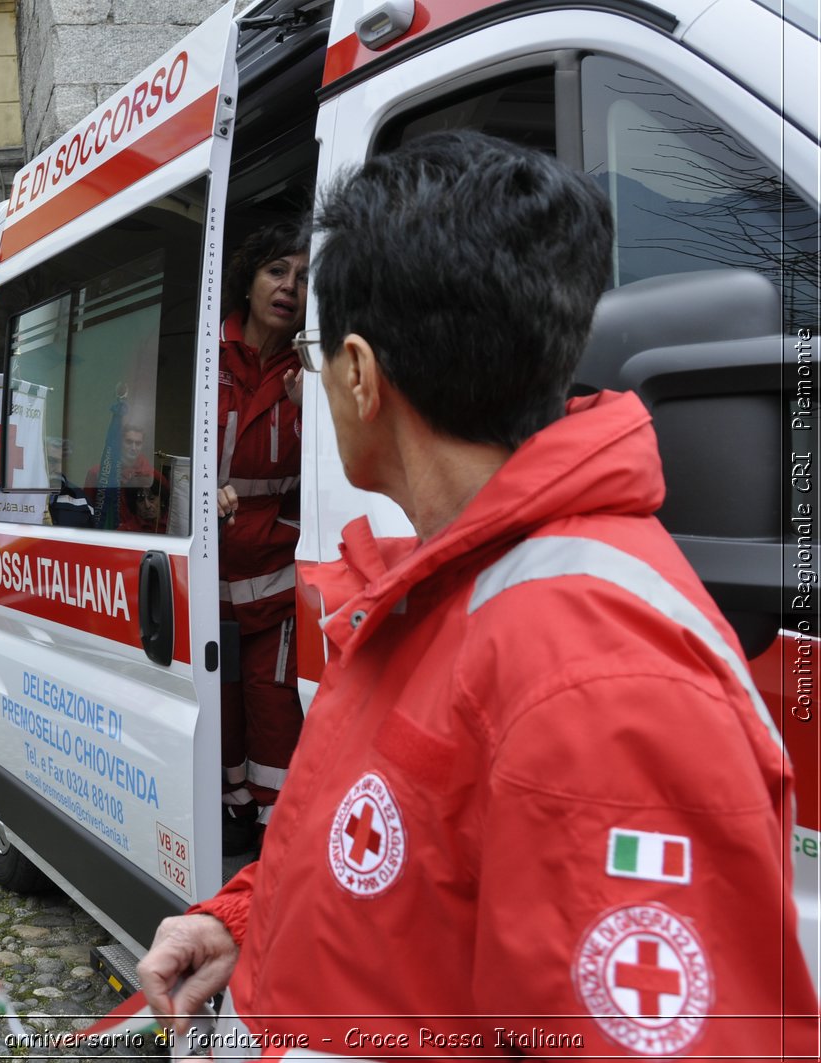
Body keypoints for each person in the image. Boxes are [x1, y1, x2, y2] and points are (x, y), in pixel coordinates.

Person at [137, 131, 819, 1058]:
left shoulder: (598, 686)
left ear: (360, 375)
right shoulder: (449, 586)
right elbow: (403, 848)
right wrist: (250, 919)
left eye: (314, 357)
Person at [213, 220, 311, 855]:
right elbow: (147, 450)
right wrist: (193, 491)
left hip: (276, 568)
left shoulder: (313, 365)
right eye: (276, 271)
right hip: (205, 563)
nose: (289, 287)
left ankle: (279, 825)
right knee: (221, 706)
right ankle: (234, 807)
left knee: (274, 704)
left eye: (302, 278)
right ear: (247, 282)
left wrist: (315, 409)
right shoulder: (203, 354)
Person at [86, 423, 164, 531]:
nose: (133, 447)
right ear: (119, 443)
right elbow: (87, 509)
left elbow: (168, 511)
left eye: (138, 443)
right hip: (106, 533)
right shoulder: (98, 473)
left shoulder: (153, 475)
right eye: (129, 442)